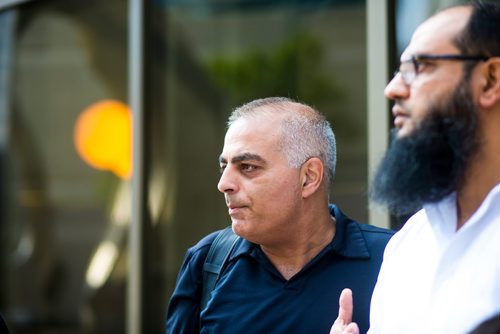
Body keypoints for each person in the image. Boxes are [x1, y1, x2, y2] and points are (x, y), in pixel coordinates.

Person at [331, 1, 500, 334]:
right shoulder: (408, 245)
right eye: (398, 70)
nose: (392, 88)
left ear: (490, 80)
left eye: (419, 67)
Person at [166, 97, 394, 333]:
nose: (224, 184)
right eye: (225, 168)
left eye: (248, 167)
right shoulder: (208, 261)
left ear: (309, 177)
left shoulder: (394, 257)